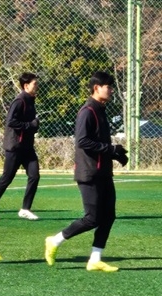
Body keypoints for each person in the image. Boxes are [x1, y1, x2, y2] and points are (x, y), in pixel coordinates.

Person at [44, 71, 128, 272]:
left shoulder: (101, 109)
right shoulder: (87, 111)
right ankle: (54, 241)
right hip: (89, 173)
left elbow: (98, 142)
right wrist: (110, 149)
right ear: (96, 88)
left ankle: (95, 259)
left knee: (108, 216)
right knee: (93, 218)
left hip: (103, 173)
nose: (111, 89)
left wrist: (115, 154)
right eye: (108, 86)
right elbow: (82, 141)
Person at [0, 73, 40, 221]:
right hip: (15, 146)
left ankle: (25, 209)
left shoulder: (31, 101)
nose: (37, 86)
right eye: (34, 84)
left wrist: (34, 126)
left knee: (34, 176)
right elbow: (11, 122)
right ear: (26, 86)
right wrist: (30, 125)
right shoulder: (19, 101)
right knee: (7, 178)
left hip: (27, 147)